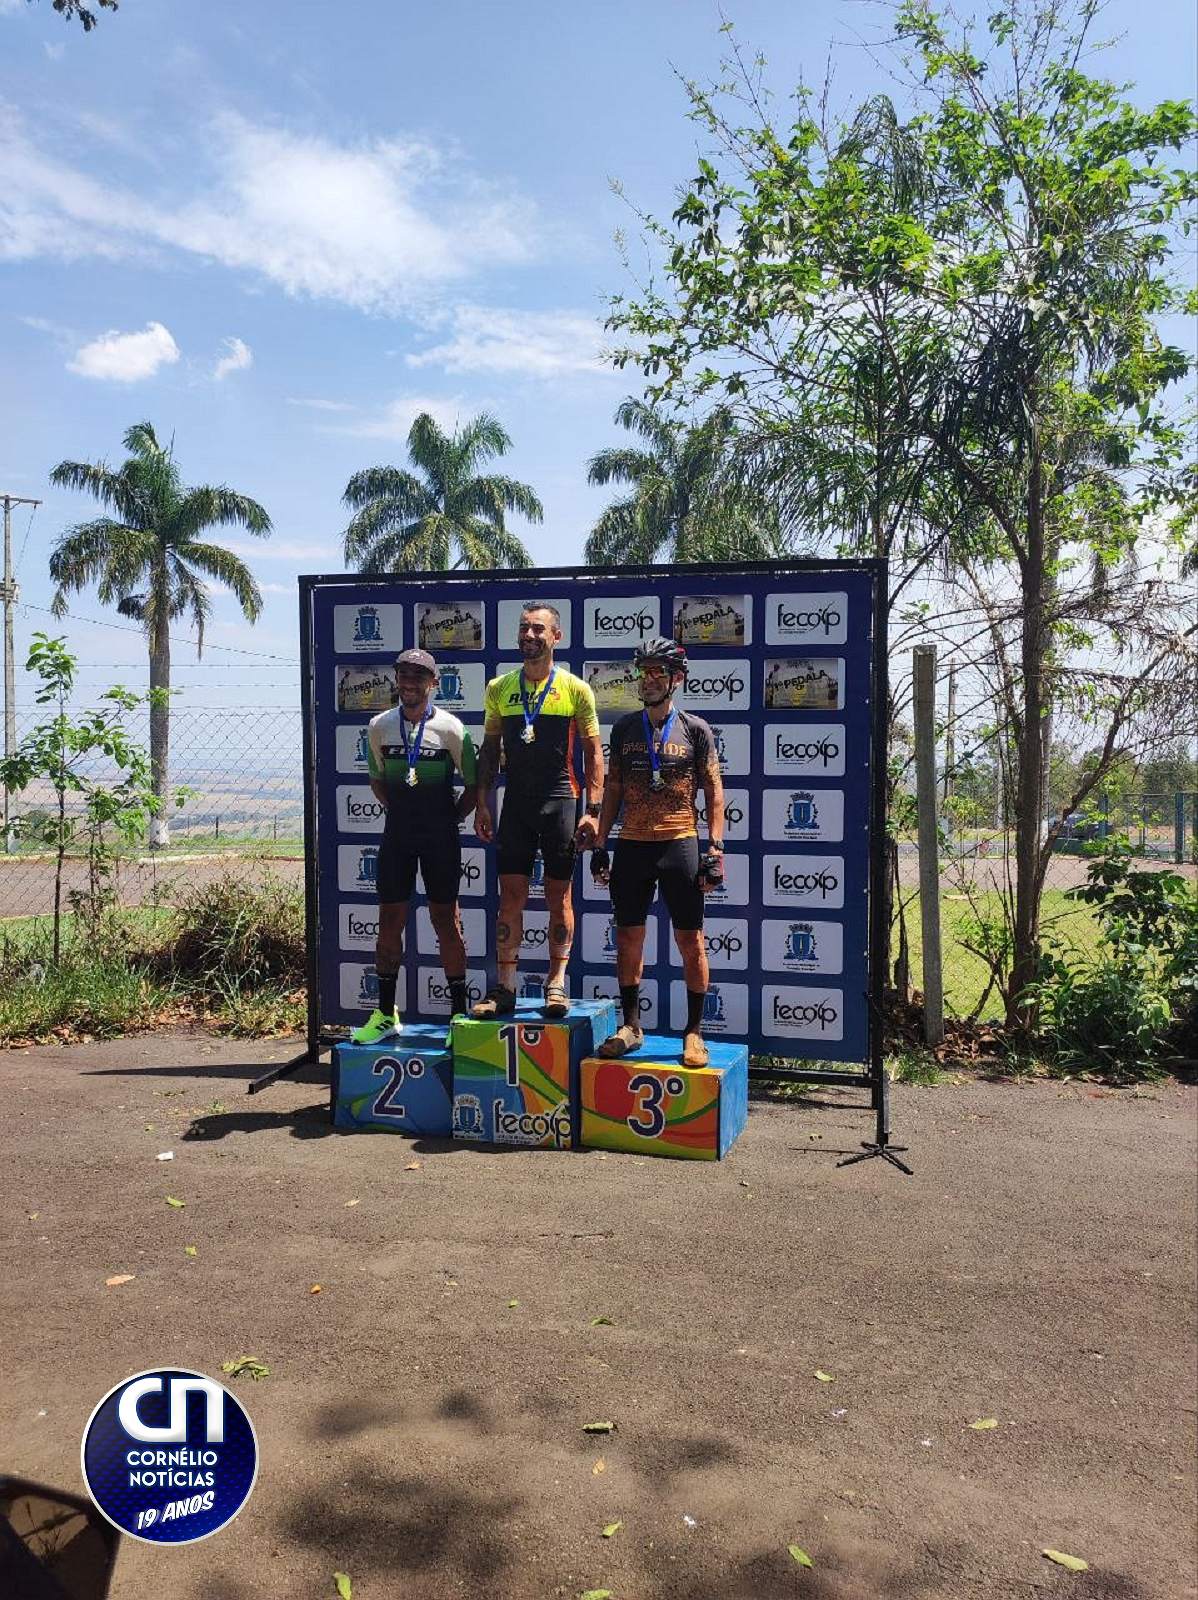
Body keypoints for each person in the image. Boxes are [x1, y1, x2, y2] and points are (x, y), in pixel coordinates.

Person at [587, 637, 725, 1067]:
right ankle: (631, 1026)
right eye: (643, 672)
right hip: (632, 845)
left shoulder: (696, 729)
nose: (647, 680)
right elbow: (611, 790)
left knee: (690, 940)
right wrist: (600, 843)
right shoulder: (625, 727)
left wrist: (715, 847)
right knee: (628, 938)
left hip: (680, 842)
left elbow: (714, 792)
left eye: (657, 673)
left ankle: (694, 1032)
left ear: (676, 679)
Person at [472, 602, 604, 1018]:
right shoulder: (498, 687)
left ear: (556, 637)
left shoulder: (576, 689)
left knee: (557, 897)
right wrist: (483, 802)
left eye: (538, 630)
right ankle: (505, 987)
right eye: (524, 629)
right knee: (509, 897)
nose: (529, 636)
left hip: (561, 801)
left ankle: (556, 984)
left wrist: (594, 810)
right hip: (517, 807)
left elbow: (593, 752)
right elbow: (491, 749)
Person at [350, 648, 478, 1044]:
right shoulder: (379, 726)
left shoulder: (453, 729)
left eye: (418, 677)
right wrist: (404, 813)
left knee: (446, 922)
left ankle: (459, 1016)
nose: (409, 683)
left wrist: (446, 820)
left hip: (440, 837)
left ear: (433, 683)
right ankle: (386, 1014)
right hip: (398, 835)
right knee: (390, 922)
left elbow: (474, 785)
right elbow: (377, 780)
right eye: (403, 675)